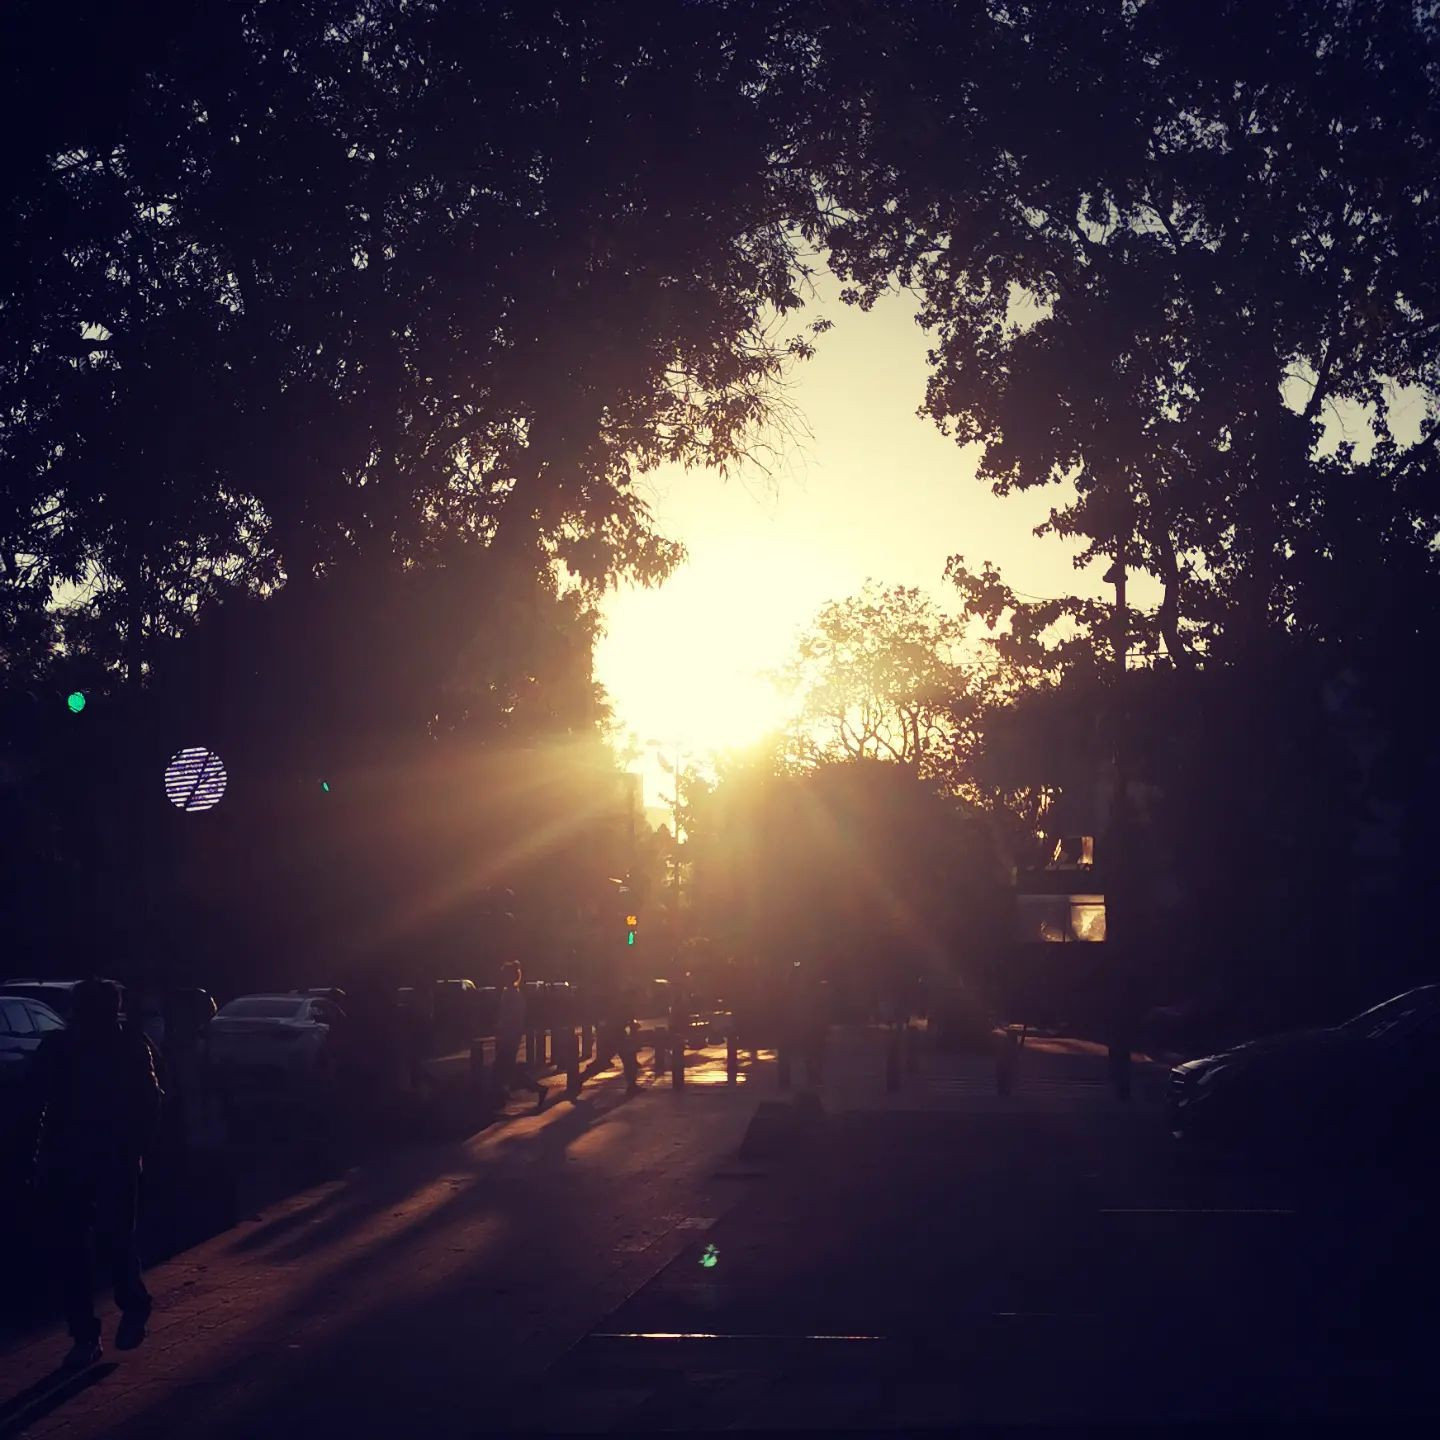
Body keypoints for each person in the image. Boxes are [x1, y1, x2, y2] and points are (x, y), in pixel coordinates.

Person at [23, 977, 163, 1369]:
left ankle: (91, 1332)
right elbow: (151, 1103)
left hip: (82, 1156)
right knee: (106, 1239)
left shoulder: (67, 1046)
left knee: (82, 1245)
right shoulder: (127, 1045)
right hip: (97, 1156)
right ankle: (121, 1312)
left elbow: (32, 1104)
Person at [495, 962, 548, 1110]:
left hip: (510, 1035)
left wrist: (503, 1030)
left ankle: (535, 1088)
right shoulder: (513, 993)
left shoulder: (512, 995)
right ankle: (505, 1094)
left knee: (502, 1067)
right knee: (506, 1067)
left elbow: (511, 1017)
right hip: (511, 1034)